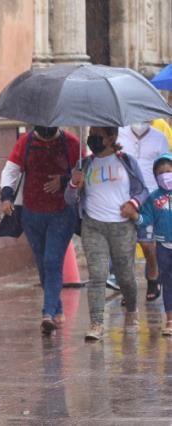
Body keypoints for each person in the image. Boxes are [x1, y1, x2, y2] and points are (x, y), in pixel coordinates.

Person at [65, 127, 148, 341]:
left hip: (122, 227)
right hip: (93, 226)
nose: (92, 138)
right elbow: (68, 198)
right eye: (91, 134)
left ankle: (131, 311)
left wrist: (133, 203)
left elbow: (143, 190)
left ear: (112, 137)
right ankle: (96, 322)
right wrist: (74, 183)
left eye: (98, 135)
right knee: (97, 275)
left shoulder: (127, 162)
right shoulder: (84, 164)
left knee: (125, 276)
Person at [0, 125, 80, 335]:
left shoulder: (71, 143)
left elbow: (83, 173)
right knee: (43, 263)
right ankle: (56, 307)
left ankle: (47, 313)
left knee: (52, 261)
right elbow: (11, 170)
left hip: (62, 213)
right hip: (31, 214)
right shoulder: (25, 142)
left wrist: (63, 180)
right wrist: (6, 197)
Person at [117, 123, 169, 301]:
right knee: (125, 247)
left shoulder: (159, 137)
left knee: (148, 245)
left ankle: (153, 279)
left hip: (150, 200)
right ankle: (128, 288)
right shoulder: (119, 135)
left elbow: (165, 165)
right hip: (124, 198)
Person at [129, 153, 172, 335]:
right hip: (163, 247)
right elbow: (146, 219)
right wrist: (136, 217)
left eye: (169, 171)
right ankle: (170, 321)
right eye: (160, 172)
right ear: (155, 176)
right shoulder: (153, 198)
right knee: (168, 284)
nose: (165, 175)